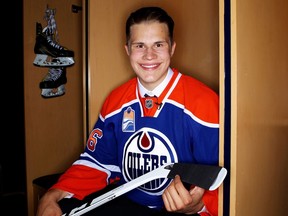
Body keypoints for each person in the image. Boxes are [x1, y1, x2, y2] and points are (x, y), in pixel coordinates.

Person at [36, 6, 219, 216]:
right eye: (139, 45)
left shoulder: (205, 103)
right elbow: (98, 162)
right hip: (128, 204)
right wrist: (53, 195)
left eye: (158, 44)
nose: (149, 55)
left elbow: (220, 180)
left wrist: (199, 204)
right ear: (128, 50)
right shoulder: (115, 101)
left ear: (172, 48)